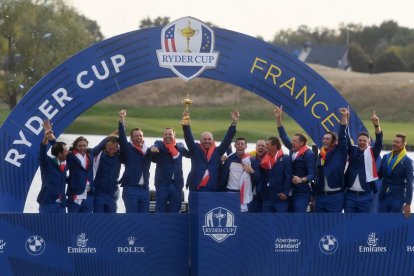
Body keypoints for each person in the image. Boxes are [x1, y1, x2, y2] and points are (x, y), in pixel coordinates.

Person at [182, 109, 239, 192]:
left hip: (213, 188)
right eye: (204, 139)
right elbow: (188, 137)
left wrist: (234, 122)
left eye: (209, 139)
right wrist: (186, 121)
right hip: (196, 187)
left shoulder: (218, 151)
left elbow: (228, 139)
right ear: (200, 140)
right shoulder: (195, 149)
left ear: (213, 141)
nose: (207, 141)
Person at [274, 106, 315, 213]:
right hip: (290, 191)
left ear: (301, 143)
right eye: (292, 140)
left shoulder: (309, 154)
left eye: (294, 141)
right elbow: (283, 136)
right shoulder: (293, 149)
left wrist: (302, 179)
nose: (291, 142)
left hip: (302, 192)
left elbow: (312, 174)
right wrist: (278, 118)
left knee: (297, 216)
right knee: (289, 217)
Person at [344, 111, 383, 213]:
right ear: (357, 141)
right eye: (360, 140)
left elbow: (379, 142)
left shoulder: (372, 153)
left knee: (362, 224)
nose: (361, 142)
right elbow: (346, 138)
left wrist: (376, 125)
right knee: (347, 223)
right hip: (350, 196)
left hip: (365, 197)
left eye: (364, 141)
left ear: (369, 142)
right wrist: (345, 120)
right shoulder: (352, 150)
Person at [313, 108, 349, 213]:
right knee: (319, 225)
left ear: (334, 142)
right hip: (320, 196)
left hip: (335, 196)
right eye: (324, 139)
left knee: (334, 224)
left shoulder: (340, 151)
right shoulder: (321, 154)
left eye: (327, 139)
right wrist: (314, 195)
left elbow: (343, 135)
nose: (324, 141)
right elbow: (318, 175)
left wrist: (344, 117)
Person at [150, 128, 190, 213]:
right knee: (160, 210)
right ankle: (160, 226)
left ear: (174, 136)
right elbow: (155, 146)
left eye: (170, 134)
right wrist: (153, 148)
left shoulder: (180, 146)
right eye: (166, 134)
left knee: (175, 210)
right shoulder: (159, 144)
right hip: (162, 185)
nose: (167, 136)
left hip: (176, 184)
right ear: (163, 136)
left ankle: (173, 226)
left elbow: (190, 154)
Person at [118, 109, 151, 213]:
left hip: (145, 189)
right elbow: (122, 136)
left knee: (144, 218)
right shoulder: (127, 148)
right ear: (131, 138)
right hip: (131, 189)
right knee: (132, 218)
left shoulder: (148, 150)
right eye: (136, 136)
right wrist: (122, 119)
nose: (138, 138)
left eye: (140, 135)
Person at [378, 133, 413, 218]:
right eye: (394, 141)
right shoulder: (386, 157)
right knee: (380, 221)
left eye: (397, 142)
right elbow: (379, 175)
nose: (394, 143)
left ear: (403, 144)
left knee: (394, 223)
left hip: (398, 198)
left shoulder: (408, 161)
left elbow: (410, 184)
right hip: (384, 196)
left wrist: (408, 204)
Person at [220, 137, 260, 212]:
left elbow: (258, 178)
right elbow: (221, 173)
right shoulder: (229, 158)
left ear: (246, 146)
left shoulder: (251, 159)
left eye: (242, 144)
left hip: (245, 193)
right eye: (238, 144)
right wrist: (220, 162)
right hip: (229, 192)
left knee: (242, 217)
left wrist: (252, 172)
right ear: (235, 146)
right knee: (230, 214)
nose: (240, 146)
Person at [37, 120, 68, 213]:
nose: (68, 153)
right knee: (45, 227)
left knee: (61, 228)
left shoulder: (65, 162)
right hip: (47, 203)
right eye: (66, 151)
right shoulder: (47, 162)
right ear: (59, 154)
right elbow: (42, 152)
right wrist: (46, 137)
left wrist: (51, 136)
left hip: (61, 204)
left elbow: (57, 147)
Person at [259, 136, 292, 212]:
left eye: (267, 145)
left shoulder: (285, 158)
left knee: (280, 222)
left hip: (280, 198)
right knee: (266, 222)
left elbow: (288, 177)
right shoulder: (265, 158)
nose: (265, 146)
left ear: (274, 146)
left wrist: (285, 193)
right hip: (267, 197)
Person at [92, 135, 122, 213]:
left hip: (113, 193)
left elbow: (126, 145)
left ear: (118, 147)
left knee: (111, 220)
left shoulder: (120, 155)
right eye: (109, 149)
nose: (112, 151)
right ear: (105, 146)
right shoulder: (97, 155)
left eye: (114, 149)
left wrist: (121, 130)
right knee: (98, 219)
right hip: (99, 193)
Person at [66, 136, 95, 213]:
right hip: (75, 194)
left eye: (84, 145)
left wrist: (117, 132)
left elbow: (102, 144)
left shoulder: (90, 155)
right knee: (73, 221)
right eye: (80, 146)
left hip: (89, 194)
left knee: (87, 221)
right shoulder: (70, 156)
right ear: (75, 146)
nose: (82, 148)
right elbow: (57, 148)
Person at [247, 140, 267, 212]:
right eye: (258, 146)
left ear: (266, 148)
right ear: (255, 148)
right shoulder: (250, 160)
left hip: (266, 197)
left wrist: (252, 172)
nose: (260, 147)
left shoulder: (271, 160)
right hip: (253, 196)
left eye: (263, 146)